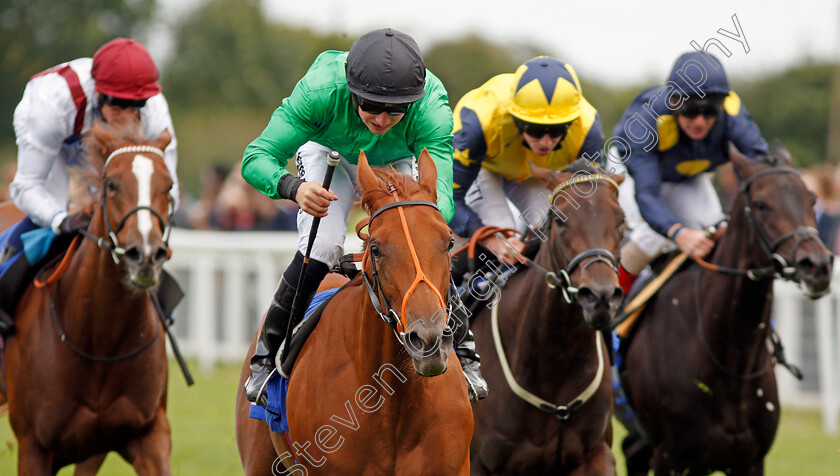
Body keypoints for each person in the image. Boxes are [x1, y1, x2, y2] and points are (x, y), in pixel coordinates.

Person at [241, 28, 488, 405]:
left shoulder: (431, 106)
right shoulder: (320, 91)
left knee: (422, 241)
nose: (383, 119)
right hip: (330, 154)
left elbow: (442, 202)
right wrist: (293, 187)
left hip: (394, 162)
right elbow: (255, 157)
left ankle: (464, 351)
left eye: (396, 110)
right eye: (372, 106)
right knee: (324, 245)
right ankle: (266, 355)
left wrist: (422, 219)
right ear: (352, 91)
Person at [0, 38, 179, 335]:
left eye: (137, 105)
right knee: (52, 216)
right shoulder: (50, 104)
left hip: (112, 153)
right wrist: (63, 218)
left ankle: (161, 309)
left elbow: (167, 187)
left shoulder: (155, 112)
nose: (129, 114)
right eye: (119, 104)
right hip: (58, 139)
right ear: (99, 93)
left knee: (128, 218)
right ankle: (6, 293)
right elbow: (25, 186)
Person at [609, 51, 769, 293]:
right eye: (691, 111)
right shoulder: (648, 120)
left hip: (686, 175)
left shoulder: (733, 115)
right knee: (656, 235)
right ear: (673, 103)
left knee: (717, 231)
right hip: (629, 171)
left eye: (710, 112)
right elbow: (648, 195)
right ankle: (611, 312)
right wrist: (679, 233)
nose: (700, 122)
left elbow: (763, 166)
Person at [449, 56, 605, 264]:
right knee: (502, 235)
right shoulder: (479, 122)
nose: (545, 142)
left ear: (571, 122)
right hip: (483, 169)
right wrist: (484, 234)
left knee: (550, 233)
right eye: (536, 129)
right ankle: (458, 290)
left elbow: (592, 201)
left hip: (533, 173)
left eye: (557, 130)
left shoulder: (588, 128)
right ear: (516, 119)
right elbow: (449, 199)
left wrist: (534, 242)